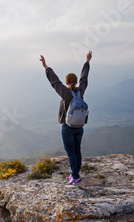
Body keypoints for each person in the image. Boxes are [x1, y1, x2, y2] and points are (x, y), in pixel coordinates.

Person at [39, 51, 92, 185]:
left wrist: (46, 67)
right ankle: (75, 173)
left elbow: (55, 81)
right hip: (80, 127)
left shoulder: (66, 93)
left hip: (67, 127)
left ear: (67, 82)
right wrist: (87, 61)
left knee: (70, 152)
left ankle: (75, 176)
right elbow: (84, 78)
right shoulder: (81, 91)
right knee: (77, 150)